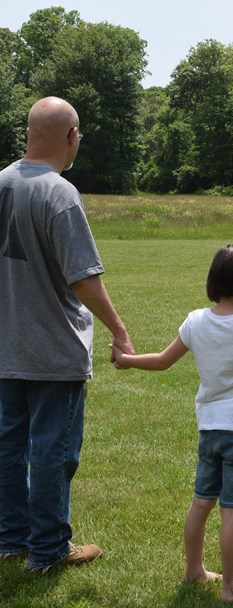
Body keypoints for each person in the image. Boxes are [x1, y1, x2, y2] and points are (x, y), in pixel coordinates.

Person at [0, 96, 134, 573]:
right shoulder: (60, 193)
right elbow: (83, 277)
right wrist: (118, 329)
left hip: (6, 347)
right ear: (71, 136)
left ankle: (11, 540)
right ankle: (50, 549)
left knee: (9, 448)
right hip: (54, 350)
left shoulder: (2, 182)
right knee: (53, 452)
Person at [110, 244, 233, 603]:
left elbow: (161, 361)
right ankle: (230, 588)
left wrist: (125, 358)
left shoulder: (195, 321)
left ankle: (193, 569)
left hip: (209, 429)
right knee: (232, 509)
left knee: (202, 502)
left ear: (214, 279)